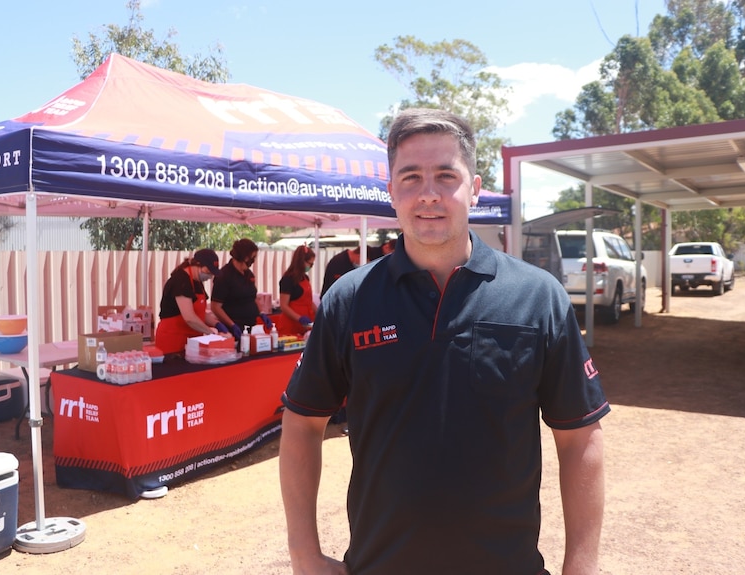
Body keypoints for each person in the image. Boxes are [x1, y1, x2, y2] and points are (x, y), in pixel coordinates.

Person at [279, 108, 609, 575]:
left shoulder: (537, 298)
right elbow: (302, 425)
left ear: (473, 188)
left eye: (445, 176)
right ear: (390, 191)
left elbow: (579, 438)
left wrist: (582, 567)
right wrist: (304, 555)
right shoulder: (348, 300)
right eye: (410, 177)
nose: (428, 194)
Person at [153, 248, 226, 355]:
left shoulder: (197, 282)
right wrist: (210, 333)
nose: (209, 276)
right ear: (197, 265)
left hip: (191, 340)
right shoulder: (180, 281)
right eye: (208, 272)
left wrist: (217, 324)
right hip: (173, 340)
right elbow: (190, 318)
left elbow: (199, 312)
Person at [210, 238, 273, 340]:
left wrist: (262, 312)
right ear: (244, 256)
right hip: (234, 328)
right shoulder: (224, 276)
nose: (253, 261)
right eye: (252, 257)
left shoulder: (249, 274)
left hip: (251, 326)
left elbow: (253, 296)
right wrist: (232, 325)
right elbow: (215, 307)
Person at [275, 245, 317, 336]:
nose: (311, 266)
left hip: (304, 327)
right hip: (290, 327)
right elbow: (284, 306)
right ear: (301, 262)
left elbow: (309, 301)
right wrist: (299, 318)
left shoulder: (305, 278)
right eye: (310, 264)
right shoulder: (288, 279)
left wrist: (319, 312)